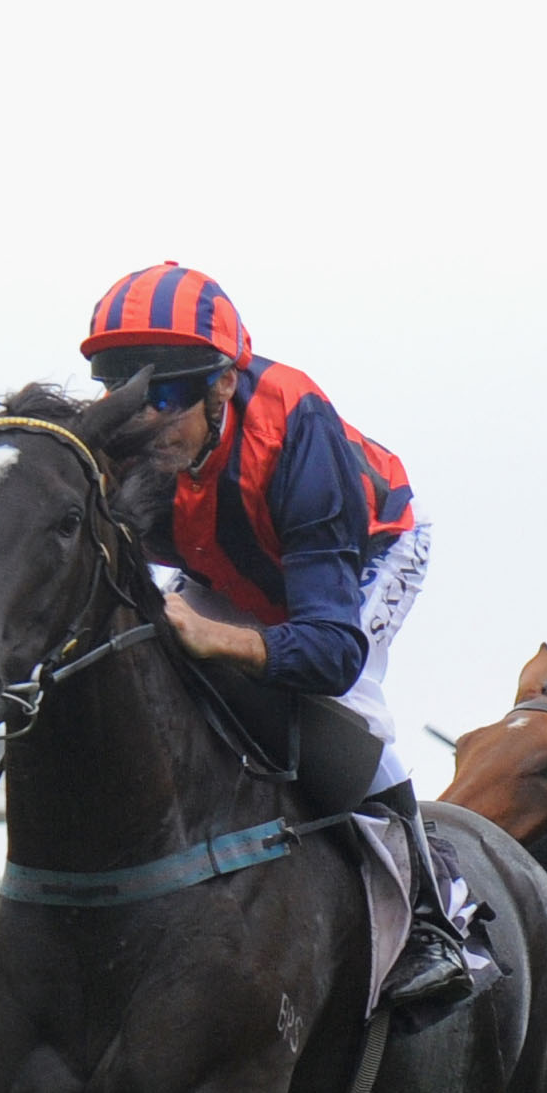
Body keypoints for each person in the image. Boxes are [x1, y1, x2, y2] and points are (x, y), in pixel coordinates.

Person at [80, 262, 469, 1009]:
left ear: (223, 384)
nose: (143, 421)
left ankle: (434, 913)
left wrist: (223, 640)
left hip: (366, 551)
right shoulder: (124, 439)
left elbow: (330, 652)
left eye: (166, 395)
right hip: (230, 560)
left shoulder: (296, 429)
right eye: (123, 390)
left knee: (345, 708)